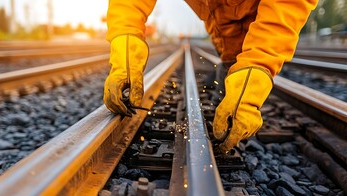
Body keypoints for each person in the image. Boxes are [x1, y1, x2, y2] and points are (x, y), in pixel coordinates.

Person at [103, 0, 318, 154]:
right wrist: (126, 43)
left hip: (256, 31)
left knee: (234, 111)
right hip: (229, 34)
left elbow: (286, 6)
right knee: (227, 102)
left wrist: (257, 67)